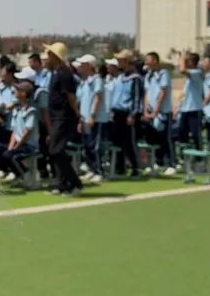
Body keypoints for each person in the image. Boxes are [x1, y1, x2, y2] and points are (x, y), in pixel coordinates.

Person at [42, 42, 81, 196]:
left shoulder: (65, 74)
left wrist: (77, 114)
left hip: (64, 118)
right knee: (56, 150)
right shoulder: (57, 73)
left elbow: (70, 96)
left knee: (56, 150)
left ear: (55, 56)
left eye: (49, 55)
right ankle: (62, 184)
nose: (46, 58)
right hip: (57, 117)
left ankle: (75, 183)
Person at [108, 50, 143, 177]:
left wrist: (133, 114)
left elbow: (137, 97)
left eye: (120, 60)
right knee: (117, 141)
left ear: (127, 61)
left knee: (129, 142)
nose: (118, 62)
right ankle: (120, 167)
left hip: (128, 114)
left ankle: (135, 167)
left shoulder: (135, 78)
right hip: (117, 113)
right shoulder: (121, 76)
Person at [142, 51, 176, 175]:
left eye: (148, 59)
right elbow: (147, 93)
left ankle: (171, 163)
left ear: (155, 60)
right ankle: (157, 162)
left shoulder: (163, 73)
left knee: (166, 138)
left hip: (163, 112)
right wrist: (146, 110)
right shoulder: (148, 75)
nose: (146, 61)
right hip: (151, 112)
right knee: (152, 139)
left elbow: (163, 92)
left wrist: (156, 109)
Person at [75, 54, 107, 183]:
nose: (80, 67)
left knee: (96, 146)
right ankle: (91, 169)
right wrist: (80, 120)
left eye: (82, 65)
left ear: (89, 66)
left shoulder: (97, 80)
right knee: (87, 146)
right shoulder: (84, 82)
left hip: (96, 119)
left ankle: (99, 172)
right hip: (85, 119)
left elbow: (98, 98)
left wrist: (93, 116)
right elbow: (81, 102)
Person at [1, 82, 40, 179]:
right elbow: (14, 131)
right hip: (20, 144)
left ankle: (27, 177)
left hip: (29, 145)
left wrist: (16, 147)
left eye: (18, 90)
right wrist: (11, 147)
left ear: (24, 94)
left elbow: (27, 132)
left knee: (11, 156)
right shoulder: (17, 109)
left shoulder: (31, 110)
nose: (15, 91)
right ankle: (21, 175)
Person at [177, 52, 204, 150]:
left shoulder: (197, 72)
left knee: (195, 134)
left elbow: (182, 70)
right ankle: (184, 155)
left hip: (195, 109)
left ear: (192, 62)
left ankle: (199, 155)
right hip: (185, 109)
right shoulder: (189, 76)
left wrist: (182, 58)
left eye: (188, 61)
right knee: (182, 133)